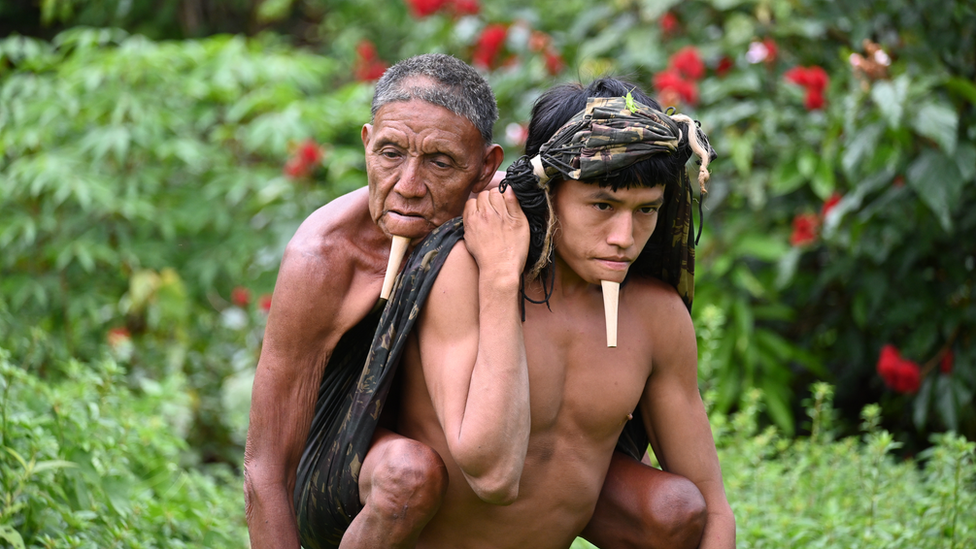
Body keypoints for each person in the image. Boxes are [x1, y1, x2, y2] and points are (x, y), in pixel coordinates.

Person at [244, 51, 712, 549]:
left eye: (441, 162)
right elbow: (266, 466)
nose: (408, 187)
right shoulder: (326, 255)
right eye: (389, 153)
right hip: (365, 475)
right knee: (408, 474)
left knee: (665, 505)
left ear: (487, 167)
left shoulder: (514, 212)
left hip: (490, 478)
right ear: (366, 143)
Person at [387, 78, 736, 548]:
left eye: (646, 210)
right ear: (545, 193)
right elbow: (492, 476)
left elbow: (713, 507)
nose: (623, 236)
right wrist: (500, 279)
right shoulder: (462, 275)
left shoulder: (656, 316)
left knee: (677, 506)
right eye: (603, 205)